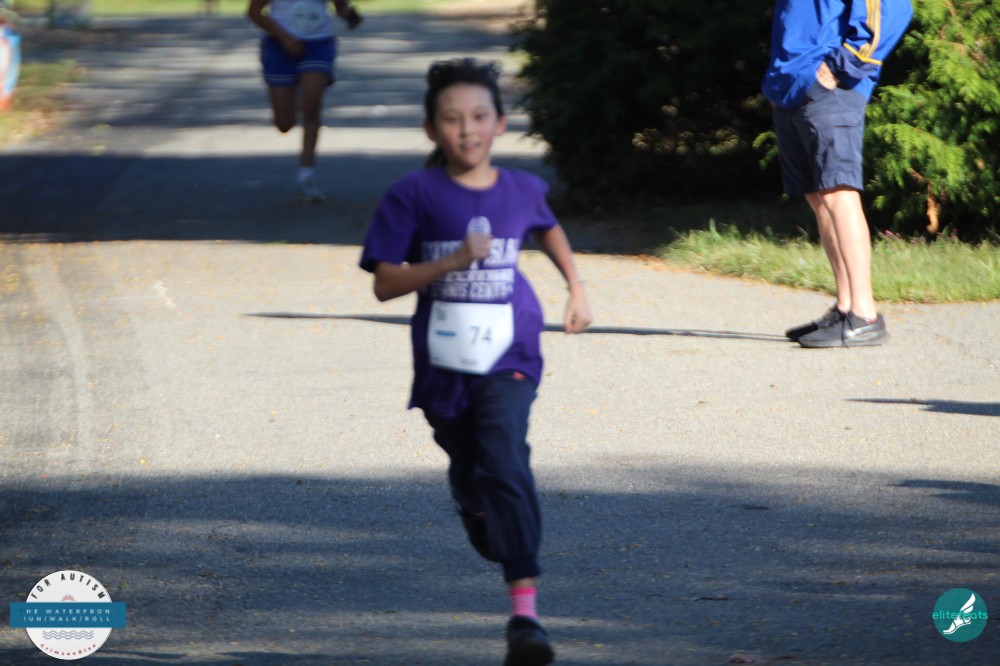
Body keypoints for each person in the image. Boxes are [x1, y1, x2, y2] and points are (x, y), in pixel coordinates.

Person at [359, 58, 592, 665]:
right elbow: (384, 284)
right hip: (444, 366)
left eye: (479, 116)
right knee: (473, 466)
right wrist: (452, 261)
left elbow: (548, 227)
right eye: (452, 118)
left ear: (500, 123)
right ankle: (473, 499)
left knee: (506, 456)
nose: (467, 129)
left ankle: (526, 617)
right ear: (432, 128)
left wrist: (577, 287)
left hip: (512, 351)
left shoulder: (521, 189)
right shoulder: (413, 195)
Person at [762, 0, 912, 347]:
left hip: (832, 88)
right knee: (819, 197)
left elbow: (892, 10)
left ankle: (864, 314)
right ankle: (845, 308)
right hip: (791, 87)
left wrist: (841, 66)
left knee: (838, 192)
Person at [247, 0, 362, 202]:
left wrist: (350, 16)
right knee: (284, 124)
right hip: (278, 45)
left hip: (318, 43)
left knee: (312, 106)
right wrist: (285, 37)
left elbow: (340, 7)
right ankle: (297, 92)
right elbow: (254, 11)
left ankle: (306, 174)